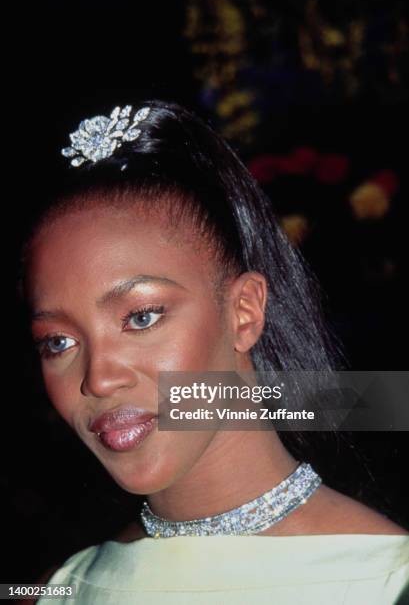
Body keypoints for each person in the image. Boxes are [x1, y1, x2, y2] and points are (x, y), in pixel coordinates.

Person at [18, 100, 408, 604]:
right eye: (59, 341)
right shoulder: (54, 589)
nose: (99, 378)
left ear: (243, 312)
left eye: (141, 316)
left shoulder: (385, 581)